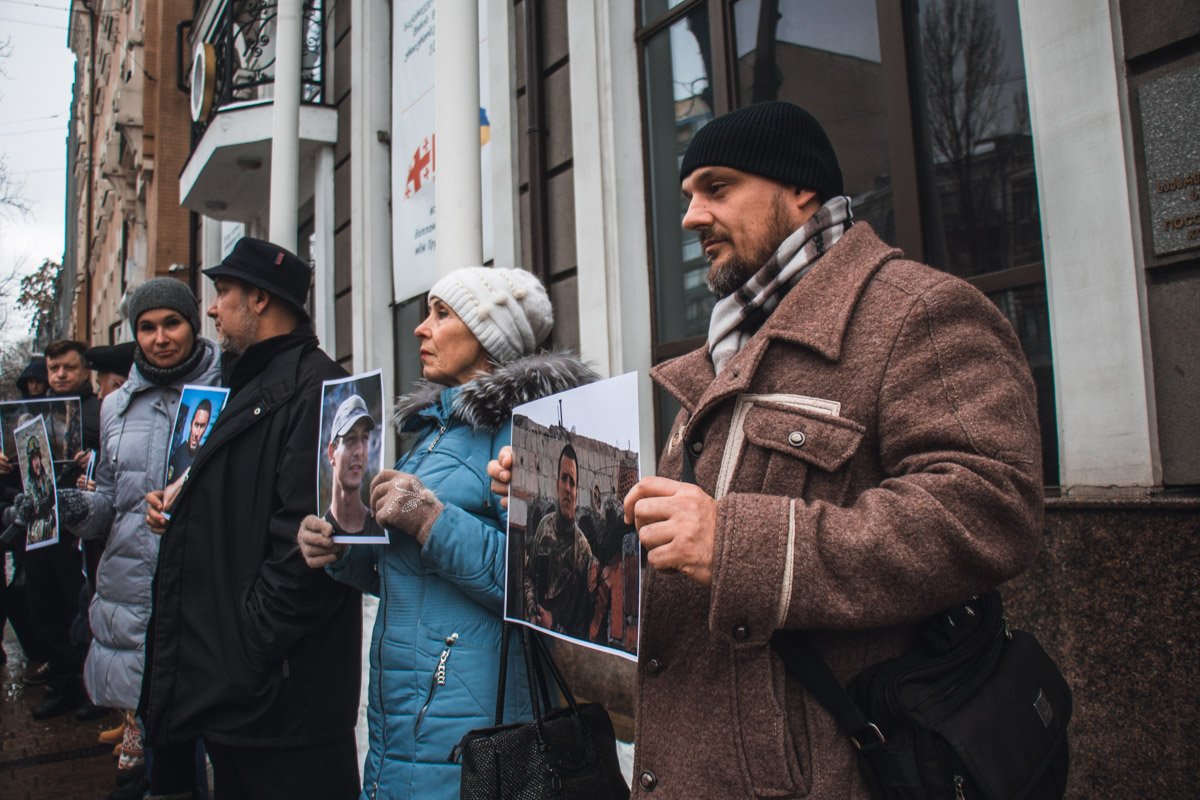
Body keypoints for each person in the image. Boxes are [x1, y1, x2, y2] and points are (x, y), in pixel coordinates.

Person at [492, 101, 1044, 798]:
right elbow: (677, 542)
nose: (691, 218)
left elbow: (990, 509)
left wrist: (737, 544)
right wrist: (549, 502)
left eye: (717, 189)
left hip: (824, 773)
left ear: (800, 189)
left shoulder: (917, 311)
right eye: (688, 197)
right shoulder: (723, 350)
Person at [297, 266, 598, 800]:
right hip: (406, 711)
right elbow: (412, 570)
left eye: (442, 314)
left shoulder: (531, 428)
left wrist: (433, 518)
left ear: (488, 341)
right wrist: (343, 546)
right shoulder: (432, 435)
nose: (420, 328)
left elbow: (548, 588)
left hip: (478, 716)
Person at [140, 238, 362, 800]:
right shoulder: (249, 385)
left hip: (281, 709)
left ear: (260, 299)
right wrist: (185, 502)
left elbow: (312, 551)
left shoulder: (320, 391)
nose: (212, 308)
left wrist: (245, 650)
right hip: (248, 700)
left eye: (223, 292)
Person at [57, 278, 220, 800]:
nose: (160, 337)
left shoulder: (226, 390)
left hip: (199, 580)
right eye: (147, 328)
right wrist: (72, 507)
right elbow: (108, 502)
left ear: (193, 324)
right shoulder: (115, 405)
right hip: (131, 583)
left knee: (194, 721)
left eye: (172, 323)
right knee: (149, 709)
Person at [19, 339, 101, 720]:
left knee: (80, 612)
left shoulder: (99, 412)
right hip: (38, 529)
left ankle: (90, 692)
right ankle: (65, 686)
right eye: (55, 369)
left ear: (85, 369)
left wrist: (92, 467)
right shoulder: (30, 416)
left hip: (80, 533)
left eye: (69, 367)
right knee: (45, 611)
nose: (61, 375)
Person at [523, 442, 599, 639]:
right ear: (557, 484)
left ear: (576, 492)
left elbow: (582, 633)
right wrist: (532, 611)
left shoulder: (583, 552)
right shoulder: (543, 526)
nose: (567, 488)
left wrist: (553, 626)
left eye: (572, 482)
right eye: (564, 479)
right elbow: (529, 576)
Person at [322, 394, 384, 540]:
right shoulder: (317, 537)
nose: (360, 451)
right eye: (350, 439)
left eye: (365, 438)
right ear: (332, 453)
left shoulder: (381, 532)